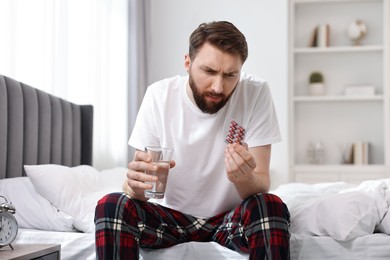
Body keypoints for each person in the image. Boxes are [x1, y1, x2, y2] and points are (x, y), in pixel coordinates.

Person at [95, 20, 290, 260]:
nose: (218, 87)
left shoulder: (255, 92)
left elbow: (261, 184)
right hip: (169, 220)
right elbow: (140, 184)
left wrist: (244, 178)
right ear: (187, 62)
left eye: (230, 75)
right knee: (111, 205)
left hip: (227, 220)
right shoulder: (159, 95)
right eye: (209, 71)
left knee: (270, 206)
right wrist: (134, 187)